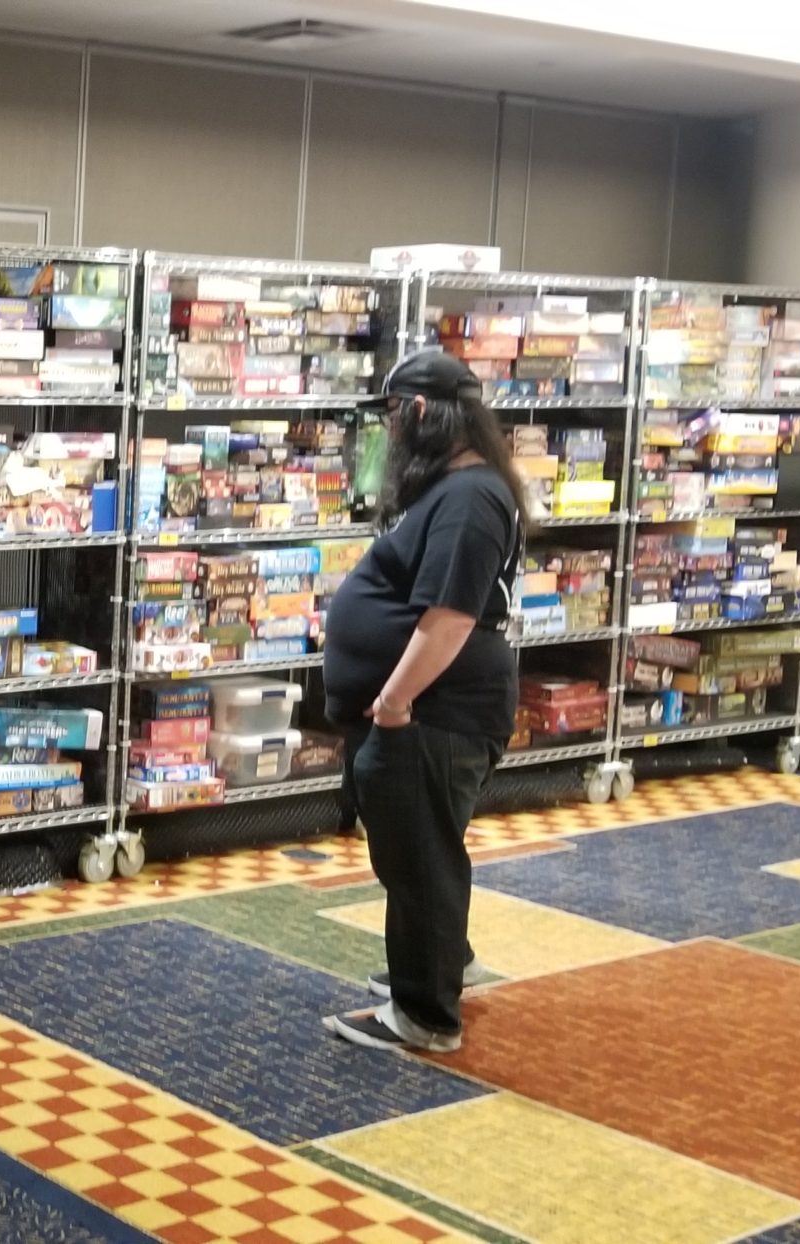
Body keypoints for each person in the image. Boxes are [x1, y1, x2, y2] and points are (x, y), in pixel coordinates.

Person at [319, 348, 533, 1054]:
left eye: (392, 417)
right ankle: (441, 963)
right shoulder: (456, 491)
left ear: (419, 412)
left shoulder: (472, 499)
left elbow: (449, 619)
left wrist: (392, 703)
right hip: (422, 708)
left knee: (424, 858)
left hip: (435, 711)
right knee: (412, 851)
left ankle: (425, 1014)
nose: (389, 435)